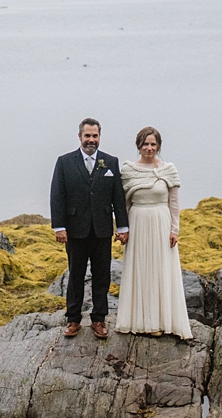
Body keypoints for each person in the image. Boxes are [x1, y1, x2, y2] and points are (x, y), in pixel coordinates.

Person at [50, 117, 128, 338]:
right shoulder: (64, 162)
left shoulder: (110, 162)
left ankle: (99, 319)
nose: (91, 140)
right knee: (76, 274)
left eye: (95, 136)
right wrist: (59, 226)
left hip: (102, 230)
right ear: (79, 137)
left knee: (102, 275)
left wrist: (122, 226)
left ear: (99, 137)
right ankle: (73, 320)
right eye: (87, 136)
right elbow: (57, 196)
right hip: (75, 230)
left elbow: (118, 198)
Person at [114, 126, 191, 339]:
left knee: (161, 270)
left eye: (153, 144)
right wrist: (122, 229)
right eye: (145, 144)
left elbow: (174, 203)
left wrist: (174, 230)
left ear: (158, 146)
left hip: (161, 222)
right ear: (139, 146)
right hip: (137, 222)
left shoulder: (168, 169)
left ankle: (163, 320)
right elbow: (124, 204)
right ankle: (139, 320)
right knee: (140, 269)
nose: (149, 148)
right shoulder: (129, 170)